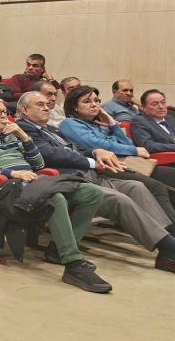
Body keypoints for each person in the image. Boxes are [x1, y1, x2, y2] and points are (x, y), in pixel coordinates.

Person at [0, 98, 110, 293]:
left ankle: (58, 249)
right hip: (5, 189)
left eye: (4, 112)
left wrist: (24, 136)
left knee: (92, 192)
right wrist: (12, 173)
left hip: (33, 182)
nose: (3, 117)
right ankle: (73, 263)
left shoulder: (12, 135)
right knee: (54, 199)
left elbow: (39, 165)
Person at [14, 91, 175, 272]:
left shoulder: (51, 129)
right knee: (119, 200)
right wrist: (91, 161)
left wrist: (95, 151)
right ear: (25, 110)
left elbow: (77, 149)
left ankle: (167, 243)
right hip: (66, 179)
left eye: (46, 104)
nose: (46, 107)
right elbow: (49, 154)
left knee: (136, 186)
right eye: (40, 104)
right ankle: (169, 247)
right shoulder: (24, 129)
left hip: (90, 174)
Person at [60, 85, 175, 195]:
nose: (94, 105)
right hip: (103, 169)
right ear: (74, 106)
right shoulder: (69, 123)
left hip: (126, 163)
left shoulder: (99, 124)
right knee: (157, 187)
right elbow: (97, 144)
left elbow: (127, 143)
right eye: (87, 101)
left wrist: (113, 124)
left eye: (96, 100)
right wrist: (134, 150)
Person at [131, 89, 175, 153]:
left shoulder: (170, 118)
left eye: (163, 102)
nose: (161, 107)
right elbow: (149, 146)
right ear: (144, 108)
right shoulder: (139, 121)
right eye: (155, 104)